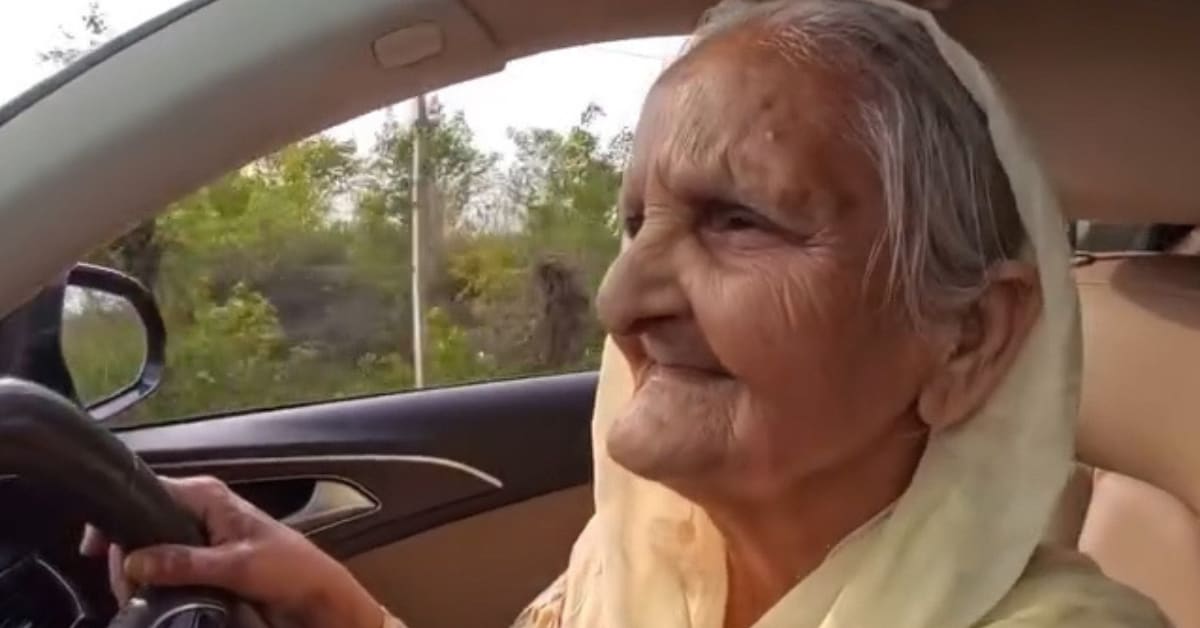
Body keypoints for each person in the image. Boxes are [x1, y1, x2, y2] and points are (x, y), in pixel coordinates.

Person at [81, 0, 1171, 627]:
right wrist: (331, 602)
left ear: (968, 338)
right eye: (635, 218)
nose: (618, 299)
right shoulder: (646, 555)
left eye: (738, 220)